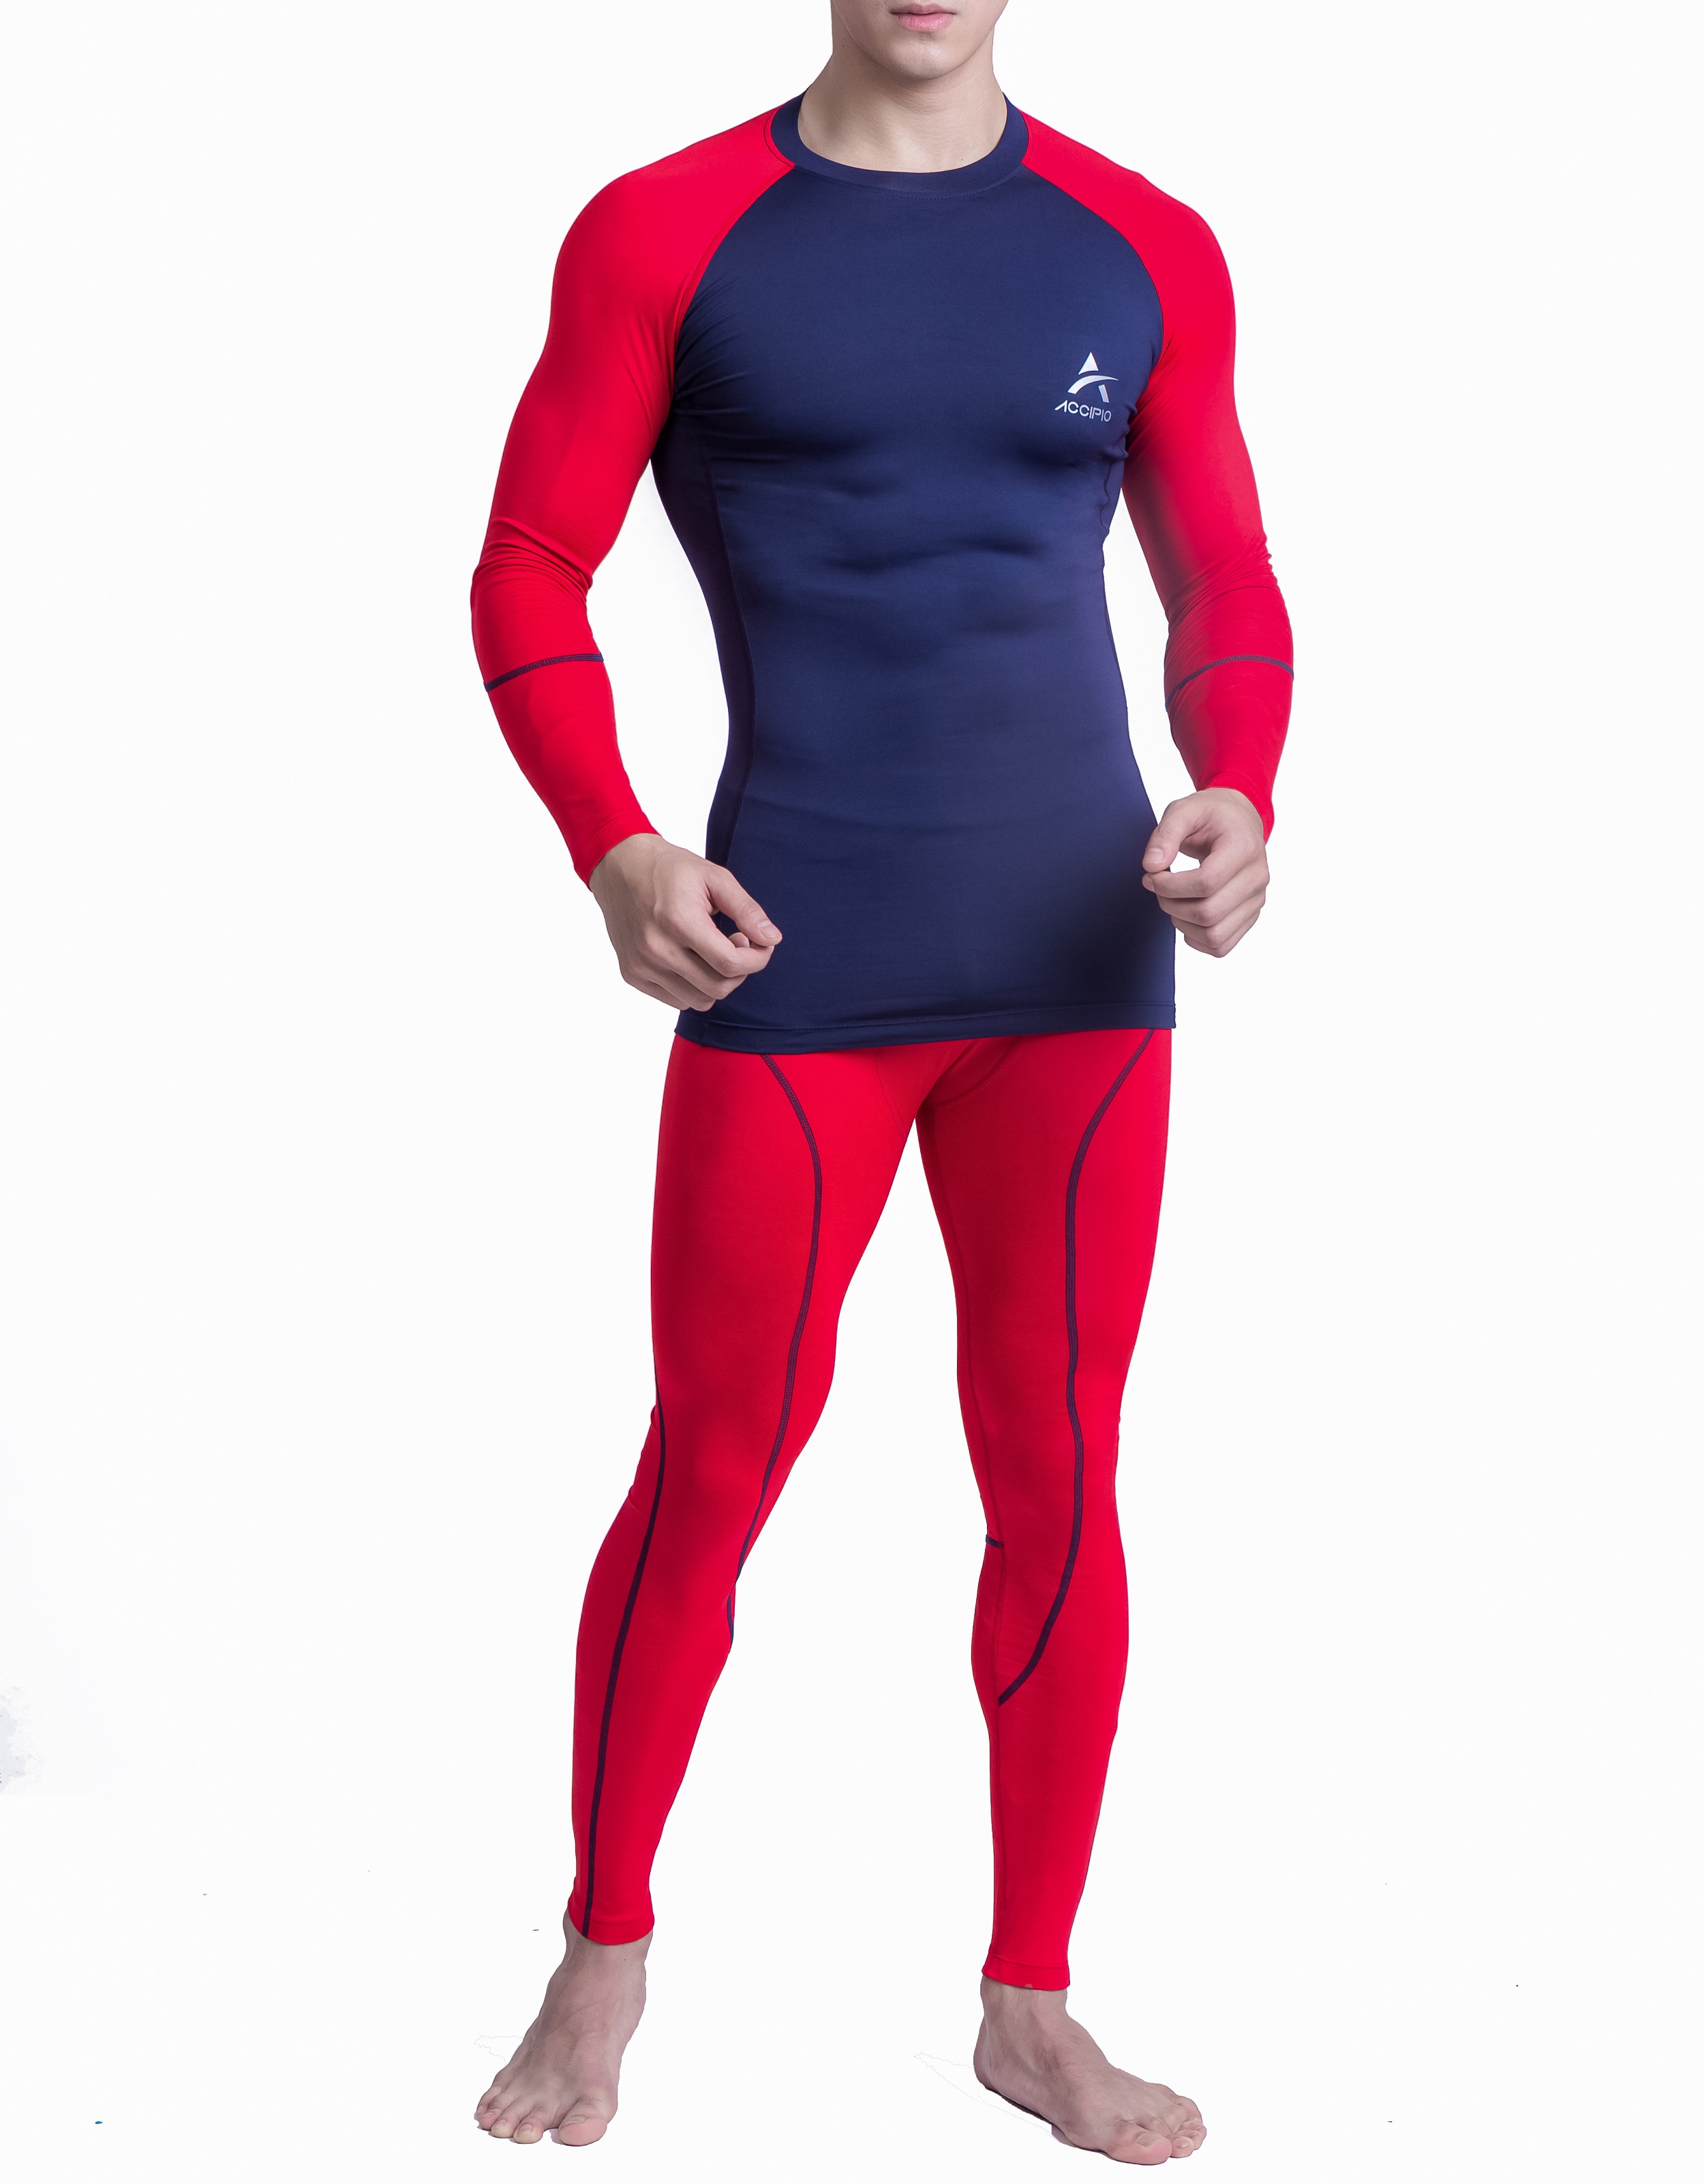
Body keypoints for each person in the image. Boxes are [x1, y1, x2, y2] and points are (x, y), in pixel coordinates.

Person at [468, 0, 1291, 2162]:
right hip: (795, 951)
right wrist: (611, 840)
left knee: (1058, 1467)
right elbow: (529, 564)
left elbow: (1222, 578)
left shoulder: (1140, 240)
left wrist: (1241, 783)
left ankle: (1031, 2002)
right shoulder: (666, 229)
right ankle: (602, 1947)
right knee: (714, 1463)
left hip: (1076, 964)